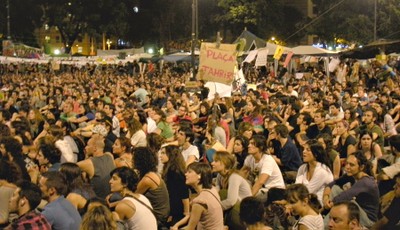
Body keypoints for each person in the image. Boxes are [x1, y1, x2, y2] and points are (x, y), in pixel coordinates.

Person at [323, 151, 379, 228]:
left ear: (361, 167)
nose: (347, 167)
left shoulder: (366, 182)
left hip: (368, 219)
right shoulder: (351, 175)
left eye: (351, 165)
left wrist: (330, 204)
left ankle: (324, 225)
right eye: (347, 163)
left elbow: (347, 195)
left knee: (347, 202)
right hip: (356, 210)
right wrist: (325, 197)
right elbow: (332, 184)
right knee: (336, 188)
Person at [212, 151, 252, 230]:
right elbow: (216, 190)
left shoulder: (234, 177)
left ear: (224, 163)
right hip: (234, 209)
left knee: (223, 193)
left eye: (216, 161)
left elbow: (231, 201)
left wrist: (213, 208)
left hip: (245, 212)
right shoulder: (220, 175)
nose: (212, 163)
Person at [133, 146, 170, 226]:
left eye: (134, 159)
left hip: (158, 217)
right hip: (160, 214)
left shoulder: (148, 179)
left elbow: (133, 196)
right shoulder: (151, 174)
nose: (132, 161)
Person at [241, 135, 285, 200]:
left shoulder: (267, 160)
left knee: (255, 200)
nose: (249, 146)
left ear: (261, 147)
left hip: (275, 191)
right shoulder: (249, 158)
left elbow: (260, 182)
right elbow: (242, 174)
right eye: (249, 143)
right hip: (263, 189)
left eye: (252, 144)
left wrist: (248, 199)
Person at [185, 162, 224, 230]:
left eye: (189, 172)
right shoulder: (212, 189)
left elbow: (190, 228)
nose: (186, 174)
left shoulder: (199, 202)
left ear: (199, 176)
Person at [160, 145, 190, 229]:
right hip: (172, 210)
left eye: (163, 153)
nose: (160, 156)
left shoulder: (175, 173)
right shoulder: (169, 170)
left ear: (171, 155)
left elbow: (184, 194)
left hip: (178, 212)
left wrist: (186, 212)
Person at [77, 132, 115, 199]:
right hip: (112, 196)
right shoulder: (110, 156)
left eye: (87, 145)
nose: (85, 148)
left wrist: (86, 156)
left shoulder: (89, 163)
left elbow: (68, 168)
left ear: (94, 148)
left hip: (98, 201)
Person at [295, 139, 334, 205]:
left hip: (317, 205)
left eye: (308, 150)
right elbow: (296, 187)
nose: (304, 152)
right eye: (304, 149)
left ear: (316, 154)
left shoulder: (322, 171)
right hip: (303, 201)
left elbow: (308, 191)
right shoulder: (302, 168)